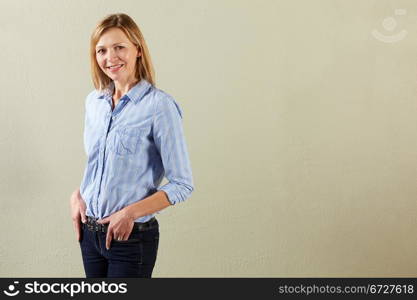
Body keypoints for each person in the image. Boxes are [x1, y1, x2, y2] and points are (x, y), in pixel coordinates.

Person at [69, 13, 194, 278]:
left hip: (131, 240)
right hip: (89, 237)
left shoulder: (159, 107)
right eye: (101, 50)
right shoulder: (94, 103)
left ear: (137, 50)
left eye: (119, 47)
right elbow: (99, 165)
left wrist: (129, 213)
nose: (110, 57)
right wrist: (78, 195)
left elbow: (182, 184)